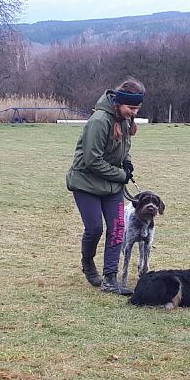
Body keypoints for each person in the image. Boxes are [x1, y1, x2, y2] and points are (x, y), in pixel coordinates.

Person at [66, 78, 145, 295]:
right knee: (95, 229)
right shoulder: (99, 121)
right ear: (119, 103)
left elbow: (122, 149)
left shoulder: (126, 120)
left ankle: (111, 278)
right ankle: (88, 263)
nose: (134, 112)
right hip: (86, 182)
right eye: (131, 107)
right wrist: (121, 174)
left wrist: (127, 162)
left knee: (118, 228)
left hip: (112, 185)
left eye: (138, 108)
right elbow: (92, 161)